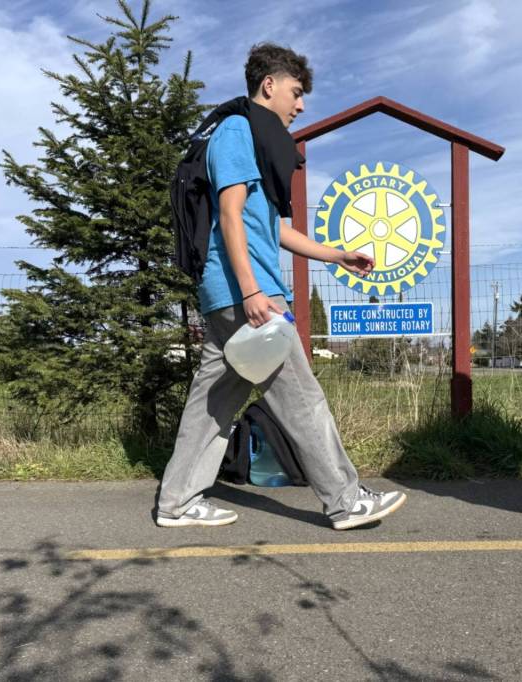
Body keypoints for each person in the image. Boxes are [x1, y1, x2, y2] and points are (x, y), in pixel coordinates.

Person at [155, 43, 406, 530]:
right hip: (248, 295)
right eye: (296, 92)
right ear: (268, 85)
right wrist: (252, 291)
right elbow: (229, 214)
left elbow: (271, 229)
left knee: (214, 404)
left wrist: (336, 253)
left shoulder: (254, 138)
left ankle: (177, 503)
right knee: (302, 400)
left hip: (232, 295)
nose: (302, 105)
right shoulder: (236, 131)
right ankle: (345, 500)